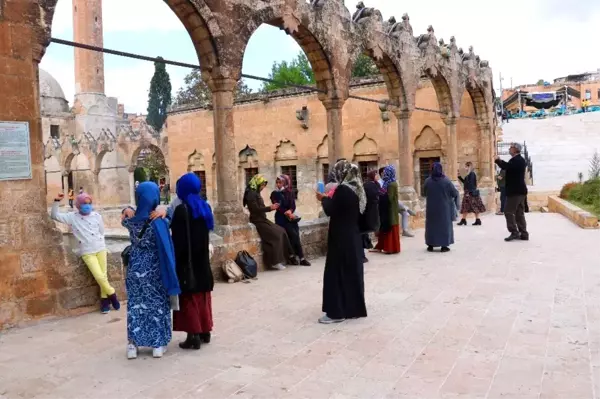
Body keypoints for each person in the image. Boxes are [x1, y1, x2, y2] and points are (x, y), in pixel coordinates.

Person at [121, 182, 181, 359]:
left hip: (135, 269)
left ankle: (133, 345)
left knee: (135, 306)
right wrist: (165, 211)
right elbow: (172, 215)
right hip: (156, 268)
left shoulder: (130, 221)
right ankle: (158, 344)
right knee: (157, 305)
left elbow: (124, 216)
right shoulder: (160, 221)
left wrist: (127, 208)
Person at [315, 160, 367, 324]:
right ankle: (353, 308)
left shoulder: (343, 190)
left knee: (336, 273)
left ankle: (336, 313)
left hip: (341, 238)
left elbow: (331, 210)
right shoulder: (358, 190)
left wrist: (322, 198)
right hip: (353, 236)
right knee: (351, 273)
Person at [51, 192, 120, 314]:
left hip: (100, 248)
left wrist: (102, 244)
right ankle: (112, 293)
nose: (87, 206)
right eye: (84, 204)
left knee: (103, 275)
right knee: (98, 276)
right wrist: (57, 201)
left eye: (89, 203)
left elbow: (101, 231)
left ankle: (104, 302)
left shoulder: (97, 216)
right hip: (87, 251)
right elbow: (54, 215)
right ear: (78, 205)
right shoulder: (72, 217)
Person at [170, 173, 215, 350]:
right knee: (203, 297)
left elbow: (178, 241)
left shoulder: (182, 210)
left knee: (189, 298)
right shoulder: (205, 207)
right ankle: (205, 331)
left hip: (187, 262)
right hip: (202, 262)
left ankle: (193, 335)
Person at [243, 174, 296, 270]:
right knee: (276, 235)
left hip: (263, 219)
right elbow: (255, 209)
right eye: (263, 185)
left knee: (282, 231)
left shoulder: (256, 193)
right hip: (257, 221)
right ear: (258, 183)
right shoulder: (251, 194)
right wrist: (270, 208)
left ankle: (288, 256)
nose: (263, 187)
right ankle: (275, 262)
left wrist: (271, 208)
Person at [270, 175, 311, 266]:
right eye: (277, 182)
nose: (278, 184)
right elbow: (277, 206)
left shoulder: (290, 192)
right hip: (281, 218)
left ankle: (301, 258)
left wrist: (290, 211)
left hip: (291, 218)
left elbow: (293, 205)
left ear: (285, 183)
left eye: (280, 182)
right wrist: (286, 212)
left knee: (295, 236)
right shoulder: (274, 194)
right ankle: (291, 257)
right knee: (288, 237)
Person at [495, 143, 529, 242]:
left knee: (508, 211)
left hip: (515, 191)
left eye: (511, 148)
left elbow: (507, 167)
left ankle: (514, 232)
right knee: (519, 213)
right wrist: (500, 161)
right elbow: (508, 166)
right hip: (519, 191)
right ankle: (523, 233)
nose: (509, 149)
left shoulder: (517, 160)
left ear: (515, 149)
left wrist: (497, 160)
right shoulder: (518, 160)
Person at [423, 163, 460, 253]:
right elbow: (455, 193)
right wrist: (456, 205)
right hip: (444, 209)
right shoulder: (446, 181)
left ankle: (430, 245)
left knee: (431, 226)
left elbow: (424, 192)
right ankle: (444, 246)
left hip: (431, 208)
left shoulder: (427, 181)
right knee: (444, 226)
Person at [374, 168, 415, 237]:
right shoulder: (380, 182)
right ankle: (407, 208)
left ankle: (405, 230)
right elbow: (385, 196)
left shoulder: (390, 182)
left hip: (392, 203)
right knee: (399, 204)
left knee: (404, 213)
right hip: (385, 204)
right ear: (382, 173)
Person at [372, 165, 401, 254]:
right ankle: (383, 246)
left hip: (390, 210)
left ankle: (390, 248)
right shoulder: (388, 183)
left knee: (390, 227)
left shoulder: (391, 184)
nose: (383, 174)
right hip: (388, 209)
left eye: (385, 172)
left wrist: (380, 195)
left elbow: (389, 198)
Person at [360, 170, 381, 263]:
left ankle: (362, 254)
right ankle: (361, 255)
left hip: (372, 212)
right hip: (367, 212)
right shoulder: (367, 185)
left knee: (364, 234)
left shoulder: (376, 184)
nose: (377, 176)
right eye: (376, 174)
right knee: (362, 234)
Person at [457, 162, 485, 226]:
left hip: (470, 193)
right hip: (469, 192)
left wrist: (468, 193)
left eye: (466, 166)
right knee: (466, 207)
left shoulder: (472, 174)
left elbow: (471, 184)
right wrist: (460, 177)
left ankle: (475, 220)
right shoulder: (469, 174)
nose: (465, 168)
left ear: (469, 167)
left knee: (472, 207)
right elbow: (466, 182)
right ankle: (465, 220)